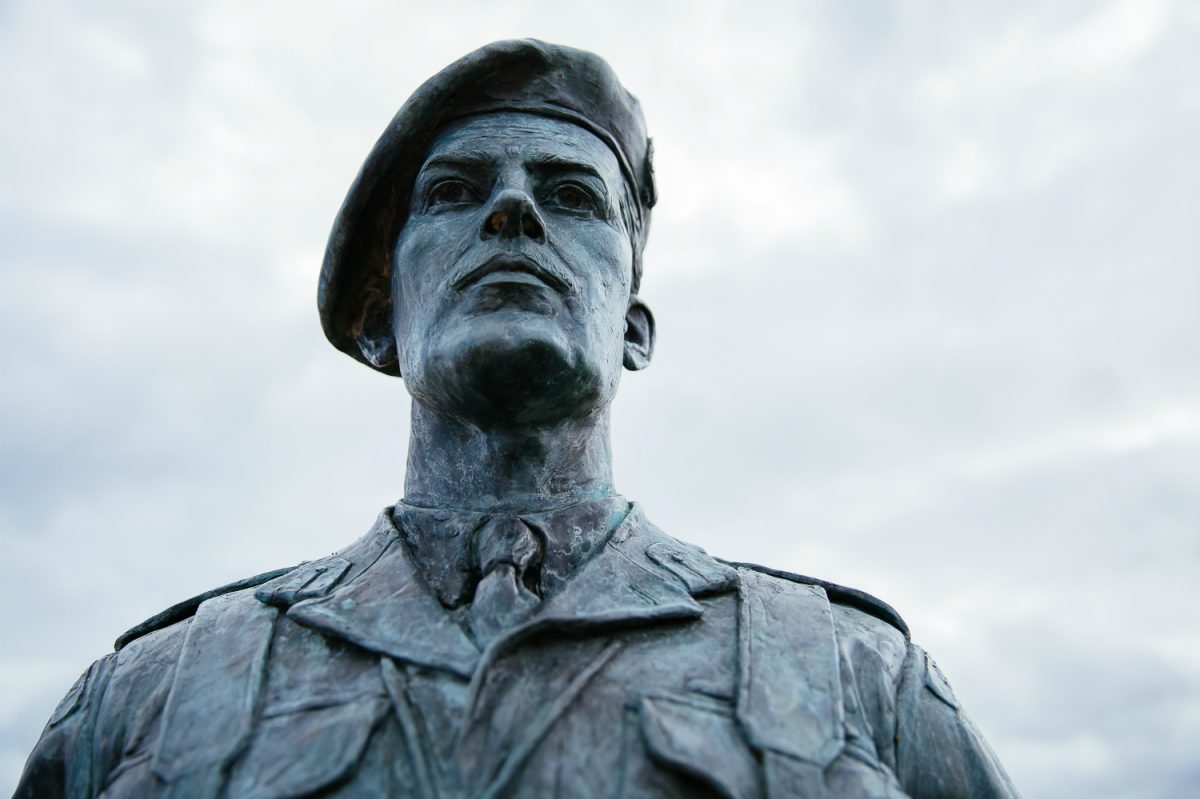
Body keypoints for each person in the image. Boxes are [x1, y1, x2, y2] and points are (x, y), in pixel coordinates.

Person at [16, 40, 1019, 798]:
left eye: (571, 194)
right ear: (380, 322)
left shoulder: (853, 677)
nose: (512, 213)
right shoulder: (151, 694)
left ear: (633, 325)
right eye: (455, 191)